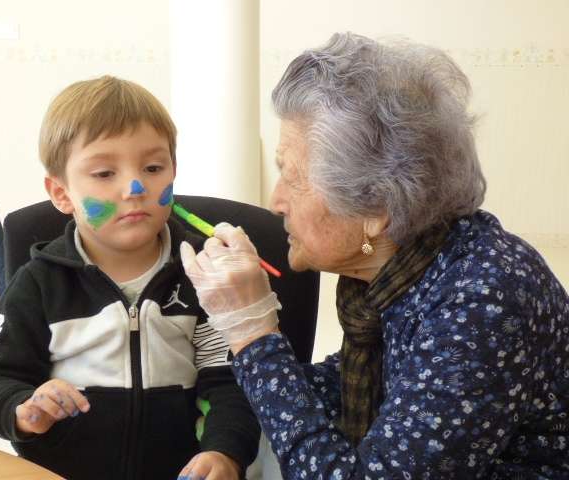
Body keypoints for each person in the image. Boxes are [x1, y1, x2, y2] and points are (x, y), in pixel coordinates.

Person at [180, 33, 569, 479]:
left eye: (293, 178)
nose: (275, 201)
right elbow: (349, 389)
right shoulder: (401, 272)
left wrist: (253, 333)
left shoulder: (484, 298)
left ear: (375, 210)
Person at [0, 75, 259, 480]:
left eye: (153, 167)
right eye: (105, 173)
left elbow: (231, 382)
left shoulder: (203, 274)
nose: (135, 187)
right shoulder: (39, 284)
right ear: (61, 194)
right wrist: (23, 408)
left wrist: (225, 451)